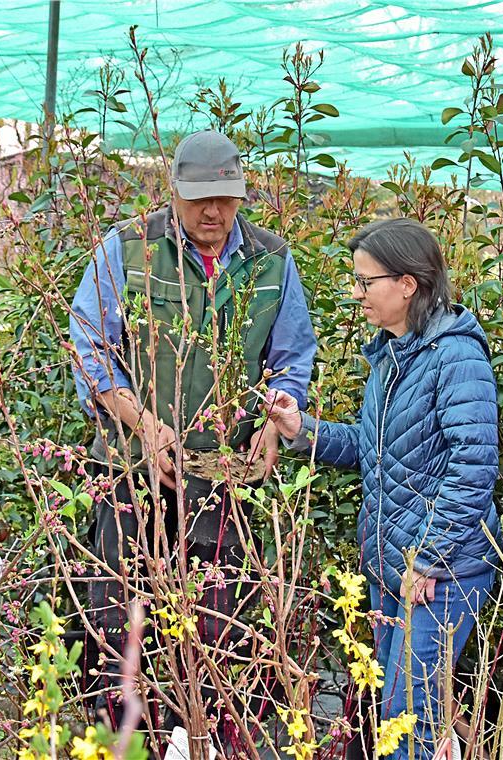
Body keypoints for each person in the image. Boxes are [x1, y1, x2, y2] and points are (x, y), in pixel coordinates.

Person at [68, 129, 317, 728]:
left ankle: (203, 736)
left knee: (215, 626)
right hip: (131, 471)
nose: (213, 212)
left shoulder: (270, 260)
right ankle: (125, 737)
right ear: (173, 191)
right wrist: (144, 424)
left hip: (222, 472)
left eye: (225, 198)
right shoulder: (127, 248)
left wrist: (272, 426)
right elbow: (89, 349)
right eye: (199, 198)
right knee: (122, 623)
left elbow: (292, 357)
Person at [264, 218, 500, 760]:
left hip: (439, 575)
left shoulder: (456, 358)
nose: (357, 294)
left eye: (366, 282)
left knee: (408, 724)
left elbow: (473, 466)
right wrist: (302, 429)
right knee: (396, 717)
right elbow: (373, 449)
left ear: (408, 284)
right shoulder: (395, 356)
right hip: (394, 567)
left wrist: (429, 558)